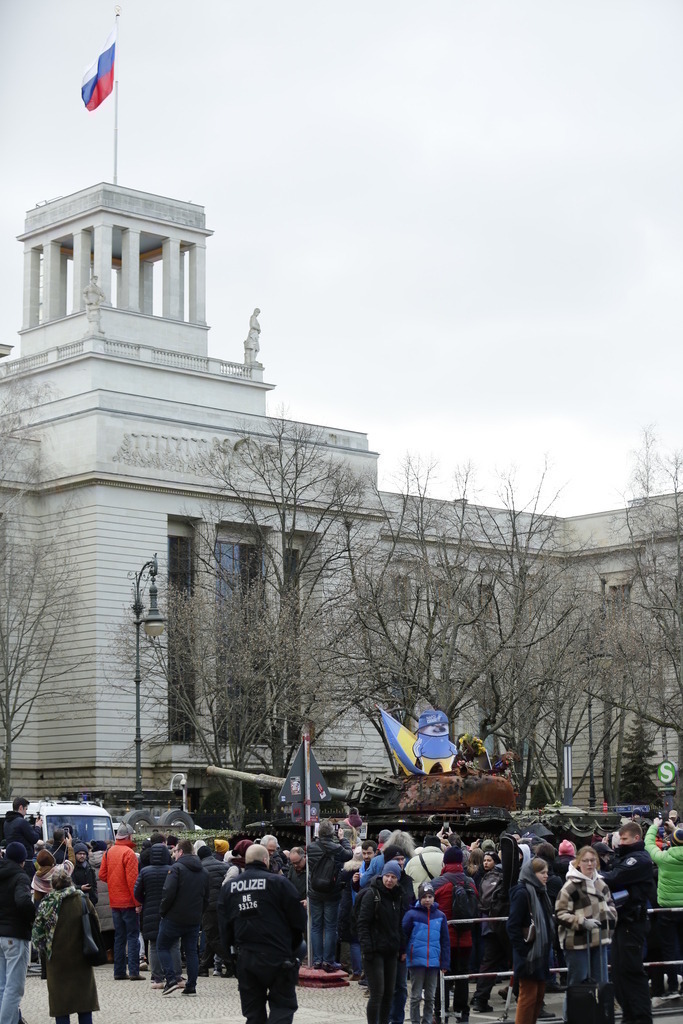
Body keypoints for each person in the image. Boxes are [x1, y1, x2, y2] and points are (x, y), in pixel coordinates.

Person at [218, 843, 306, 1024]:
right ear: (266, 860)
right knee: (282, 1008)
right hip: (278, 955)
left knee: (253, 1013)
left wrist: (231, 958)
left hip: (246, 957)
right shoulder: (280, 883)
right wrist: (292, 948)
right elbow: (299, 920)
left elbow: (224, 927)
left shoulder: (229, 888)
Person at [602, 821, 656, 1024]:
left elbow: (615, 876)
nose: (620, 842)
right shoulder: (626, 857)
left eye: (624, 839)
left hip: (632, 922)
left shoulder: (639, 859)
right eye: (619, 838)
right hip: (623, 922)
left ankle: (640, 1017)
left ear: (636, 838)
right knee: (619, 972)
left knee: (631, 972)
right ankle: (630, 1014)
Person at [32, 864, 100, 1024]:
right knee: (84, 1003)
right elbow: (96, 924)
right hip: (82, 957)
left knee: (61, 1007)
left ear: (52, 885)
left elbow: (37, 936)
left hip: (56, 962)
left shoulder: (46, 905)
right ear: (70, 882)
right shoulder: (82, 900)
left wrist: (45, 950)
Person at [555, 845, 617, 1019]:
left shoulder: (601, 882)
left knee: (601, 984)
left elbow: (611, 904)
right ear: (578, 862)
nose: (590, 864)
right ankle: (572, 1019)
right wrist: (581, 922)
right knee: (577, 985)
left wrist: (610, 916)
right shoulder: (570, 886)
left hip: (601, 940)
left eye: (592, 860)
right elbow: (560, 914)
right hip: (577, 942)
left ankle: (597, 1018)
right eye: (586, 861)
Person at [157, 837, 210, 995]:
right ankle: (191, 985)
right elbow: (206, 897)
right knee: (191, 951)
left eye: (175, 851)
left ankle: (171, 979)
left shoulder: (176, 869)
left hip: (173, 917)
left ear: (181, 852)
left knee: (162, 946)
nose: (173, 854)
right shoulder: (204, 871)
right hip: (193, 918)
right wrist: (199, 913)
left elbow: (168, 893)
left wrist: (163, 911)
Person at [506, 857, 555, 1024]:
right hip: (529, 954)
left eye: (547, 872)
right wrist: (524, 951)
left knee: (538, 995)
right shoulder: (522, 892)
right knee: (528, 997)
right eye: (542, 873)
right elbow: (512, 925)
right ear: (531, 874)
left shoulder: (541, 892)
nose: (546, 876)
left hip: (539, 953)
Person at [433, 845, 478, 1022]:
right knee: (462, 977)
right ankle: (462, 1013)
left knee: (442, 977)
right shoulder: (470, 882)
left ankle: (440, 1011)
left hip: (445, 940)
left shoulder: (438, 883)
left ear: (445, 861)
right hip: (465, 938)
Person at [357, 859, 405, 1024]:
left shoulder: (397, 896)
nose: (389, 880)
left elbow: (399, 923)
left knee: (389, 993)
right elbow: (362, 923)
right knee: (377, 993)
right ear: (382, 875)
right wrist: (367, 949)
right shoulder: (372, 894)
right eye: (387, 876)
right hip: (374, 950)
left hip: (391, 950)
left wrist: (400, 946)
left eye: (393, 877)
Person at [644, 817, 683, 1002]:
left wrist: (655, 826)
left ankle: (674, 986)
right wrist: (675, 829)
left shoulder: (664, 858)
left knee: (669, 950)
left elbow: (649, 844)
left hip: (667, 911)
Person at [133, 840, 181, 990]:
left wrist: (144, 901)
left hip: (150, 911)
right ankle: (176, 976)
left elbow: (137, 892)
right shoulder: (173, 869)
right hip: (170, 911)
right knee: (173, 944)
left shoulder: (145, 871)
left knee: (154, 945)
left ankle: (157, 978)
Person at [306, 819, 352, 970]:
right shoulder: (337, 848)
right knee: (331, 926)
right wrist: (342, 838)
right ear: (332, 833)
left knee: (316, 926)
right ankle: (329, 961)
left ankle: (317, 960)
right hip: (332, 891)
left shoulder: (311, 847)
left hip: (315, 891)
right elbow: (349, 855)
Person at [98, 822, 141, 981]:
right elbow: (133, 882)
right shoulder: (129, 853)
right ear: (129, 836)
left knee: (119, 938)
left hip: (115, 902)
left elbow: (102, 875)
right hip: (129, 903)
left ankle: (119, 971)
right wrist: (138, 903)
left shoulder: (108, 852)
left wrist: (114, 880)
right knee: (132, 936)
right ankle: (134, 971)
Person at [403, 880, 450, 1024]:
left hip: (434, 961)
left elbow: (445, 941)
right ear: (419, 898)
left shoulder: (440, 916)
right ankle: (415, 1021)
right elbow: (403, 935)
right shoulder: (412, 915)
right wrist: (403, 952)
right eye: (424, 897)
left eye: (430, 896)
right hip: (416, 960)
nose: (427, 900)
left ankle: (428, 1021)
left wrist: (445, 962)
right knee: (416, 996)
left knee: (430, 996)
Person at [0, 842, 35, 1024]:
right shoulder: (20, 876)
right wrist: (33, 917)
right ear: (22, 861)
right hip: (15, 934)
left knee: (2, 986)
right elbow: (23, 902)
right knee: (14, 988)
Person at [471, 850, 509, 1013]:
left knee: (488, 963)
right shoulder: (508, 876)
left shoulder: (485, 878)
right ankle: (525, 997)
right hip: (505, 926)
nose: (486, 863)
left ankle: (480, 998)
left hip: (489, 924)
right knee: (520, 961)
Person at [197, 843, 229, 977]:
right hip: (223, 904)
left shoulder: (200, 868)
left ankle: (233, 964)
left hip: (208, 905)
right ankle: (203, 967)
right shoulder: (224, 865)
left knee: (212, 936)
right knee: (213, 936)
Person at [3, 798, 42, 868]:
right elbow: (34, 838)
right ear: (21, 808)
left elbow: (21, 834)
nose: (26, 812)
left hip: (11, 860)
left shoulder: (7, 822)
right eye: (26, 809)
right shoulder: (21, 822)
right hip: (24, 861)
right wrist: (38, 827)